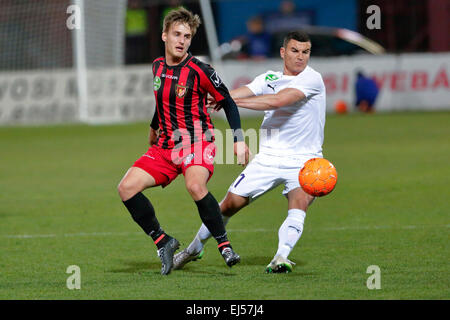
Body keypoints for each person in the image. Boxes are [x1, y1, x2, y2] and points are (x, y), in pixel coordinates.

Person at [173, 30, 326, 273]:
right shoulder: (269, 77)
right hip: (267, 157)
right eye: (295, 51)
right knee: (228, 205)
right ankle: (193, 249)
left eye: (305, 52)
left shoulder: (312, 79)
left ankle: (281, 257)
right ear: (283, 52)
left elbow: (275, 101)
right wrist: (220, 97)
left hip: (304, 159)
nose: (300, 57)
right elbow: (241, 92)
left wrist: (228, 103)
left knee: (299, 202)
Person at [117, 7, 250, 275]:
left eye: (187, 36)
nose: (181, 40)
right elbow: (161, 103)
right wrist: (153, 129)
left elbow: (228, 103)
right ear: (164, 35)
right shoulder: (156, 66)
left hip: (197, 141)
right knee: (126, 188)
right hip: (165, 147)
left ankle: (224, 246)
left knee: (195, 185)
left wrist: (238, 139)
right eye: (176, 34)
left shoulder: (200, 70)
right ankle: (163, 241)